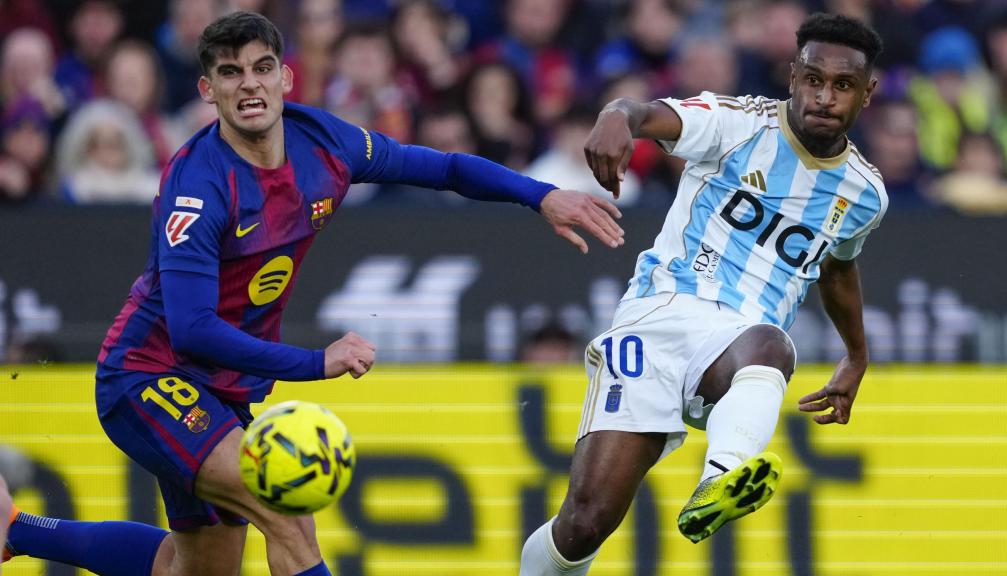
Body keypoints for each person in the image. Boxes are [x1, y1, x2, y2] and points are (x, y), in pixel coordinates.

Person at [2, 11, 624, 576]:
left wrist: (541, 194)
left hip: (220, 387)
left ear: (285, 79)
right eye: (230, 73)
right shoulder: (198, 188)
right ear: (207, 91)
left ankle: (15, 530)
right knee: (284, 505)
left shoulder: (326, 143)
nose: (249, 85)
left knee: (190, 569)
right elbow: (190, 329)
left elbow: (445, 168)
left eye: (261, 68)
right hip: (148, 376)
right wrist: (314, 364)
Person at [520, 12, 886, 574]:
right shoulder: (737, 124)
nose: (824, 97)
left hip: (738, 344)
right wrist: (617, 114)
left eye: (843, 86)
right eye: (813, 79)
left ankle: (721, 480)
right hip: (658, 316)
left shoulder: (865, 194)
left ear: (868, 93)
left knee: (772, 344)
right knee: (585, 522)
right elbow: (647, 114)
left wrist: (857, 356)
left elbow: (837, 268)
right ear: (792, 76)